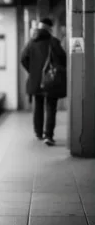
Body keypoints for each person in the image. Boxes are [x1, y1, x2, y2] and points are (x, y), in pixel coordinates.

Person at [20, 18, 67, 146]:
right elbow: (64, 59)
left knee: (38, 106)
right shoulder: (53, 42)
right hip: (51, 80)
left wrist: (33, 71)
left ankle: (38, 132)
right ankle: (48, 135)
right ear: (50, 29)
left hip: (36, 80)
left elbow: (23, 58)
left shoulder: (31, 42)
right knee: (51, 107)